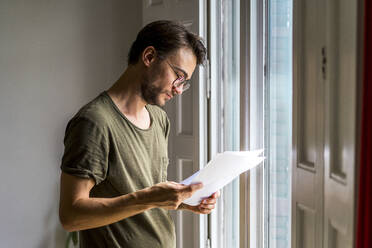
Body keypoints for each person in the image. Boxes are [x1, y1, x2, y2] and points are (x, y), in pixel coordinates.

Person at [59, 20, 219, 248]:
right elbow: (70, 216)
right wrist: (148, 198)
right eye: (179, 75)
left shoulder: (159, 119)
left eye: (185, 83)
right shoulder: (93, 122)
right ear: (149, 57)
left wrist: (185, 201)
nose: (179, 89)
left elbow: (144, 193)